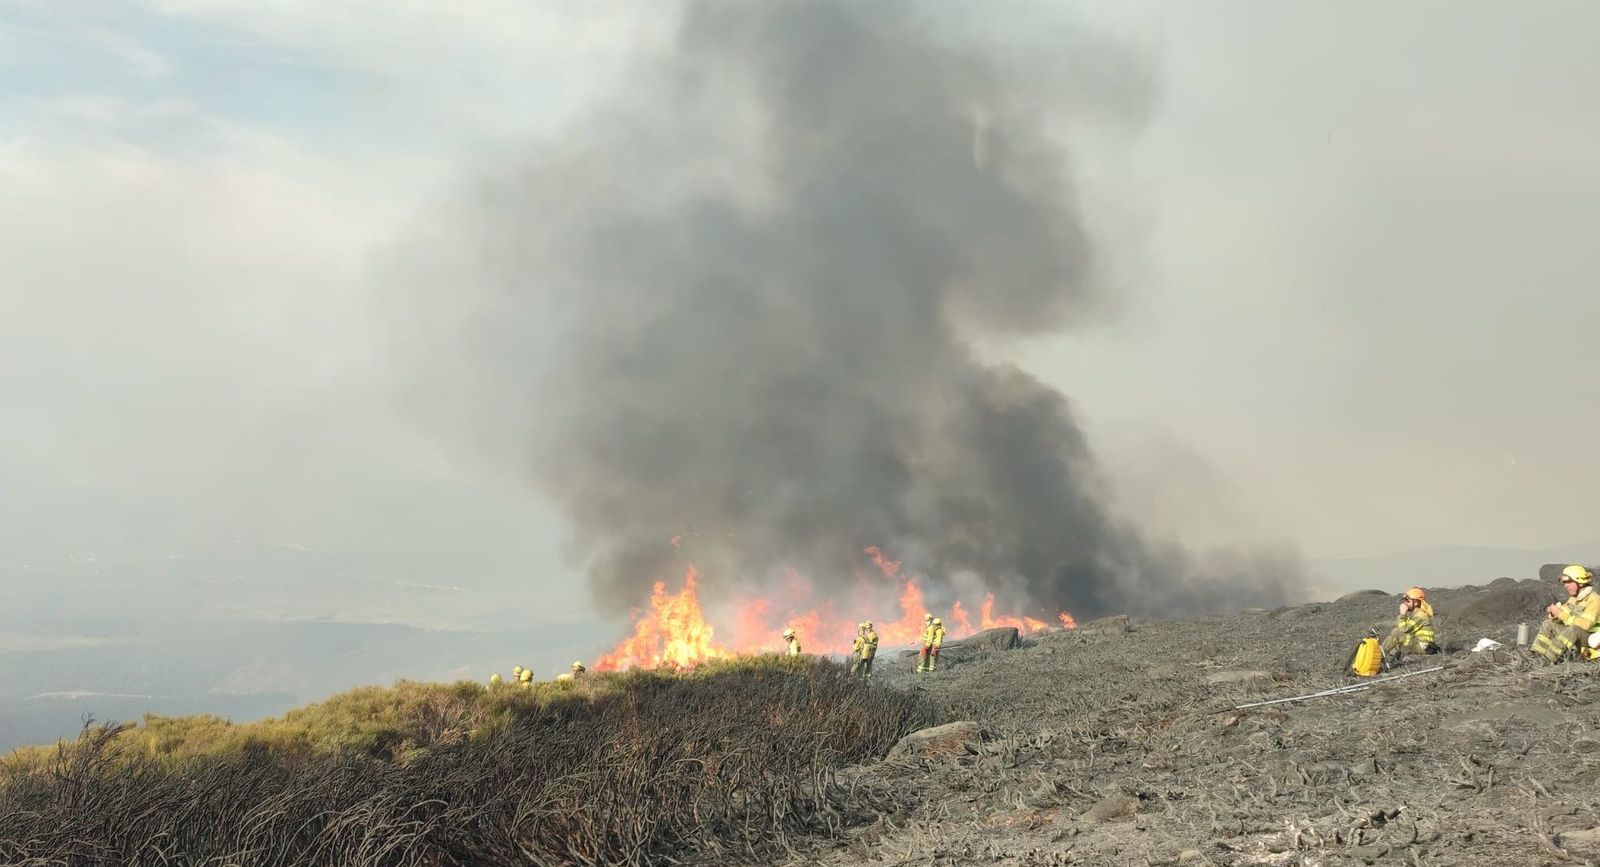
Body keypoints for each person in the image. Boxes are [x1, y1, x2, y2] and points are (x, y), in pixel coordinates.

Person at [1532, 565, 1600, 663]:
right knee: (1548, 624)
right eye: (1564, 583)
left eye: (1568, 582)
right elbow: (1563, 617)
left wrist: (1560, 614)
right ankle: (1537, 655)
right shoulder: (1574, 599)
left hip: (1591, 639)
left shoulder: (1595, 600)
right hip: (1575, 635)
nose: (1565, 586)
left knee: (1574, 629)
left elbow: (1585, 625)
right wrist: (1554, 614)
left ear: (1580, 583)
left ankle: (1549, 659)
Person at [1381, 586, 1437, 662]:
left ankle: (1378, 656)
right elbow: (1400, 627)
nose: (1405, 603)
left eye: (1408, 601)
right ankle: (1389, 661)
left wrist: (1402, 614)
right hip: (1420, 643)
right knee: (1397, 637)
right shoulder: (1415, 613)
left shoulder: (1420, 615)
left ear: (1416, 602)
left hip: (1423, 646)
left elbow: (1403, 629)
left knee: (1397, 633)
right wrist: (1401, 615)